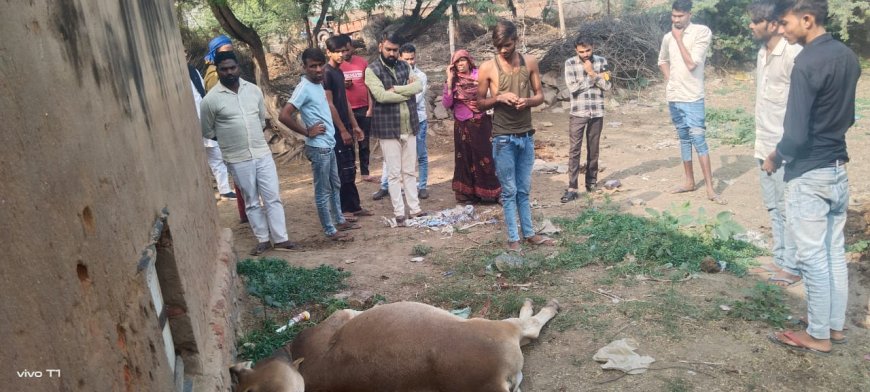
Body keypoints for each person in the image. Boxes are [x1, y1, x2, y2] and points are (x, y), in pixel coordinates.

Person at [764, 0, 860, 355]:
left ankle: (818, 335)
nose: (781, 30)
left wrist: (776, 156)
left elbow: (796, 133)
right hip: (837, 169)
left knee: (812, 258)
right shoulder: (847, 55)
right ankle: (832, 327)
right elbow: (848, 116)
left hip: (810, 172)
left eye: (785, 23)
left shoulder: (806, 61)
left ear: (807, 19)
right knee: (834, 253)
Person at [200, 52, 296, 255]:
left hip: (262, 153)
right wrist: (231, 142)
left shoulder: (253, 91)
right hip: (237, 158)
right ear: (217, 70)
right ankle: (262, 239)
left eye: (232, 68)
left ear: (238, 68)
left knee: (272, 197)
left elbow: (261, 120)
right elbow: (208, 131)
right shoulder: (210, 100)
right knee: (251, 199)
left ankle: (281, 239)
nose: (229, 72)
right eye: (224, 69)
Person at [477, 20, 555, 251]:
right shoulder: (487, 68)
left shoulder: (529, 62)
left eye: (508, 45)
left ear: (516, 40)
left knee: (523, 189)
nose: (503, 50)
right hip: (502, 138)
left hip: (526, 136)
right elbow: (479, 103)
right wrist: (499, 98)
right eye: (499, 46)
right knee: (509, 191)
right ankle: (513, 238)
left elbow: (540, 95)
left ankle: (529, 234)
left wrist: (527, 101)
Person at [747, 0, 803, 287]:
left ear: (772, 24)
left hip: (782, 147)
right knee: (773, 206)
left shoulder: (793, 54)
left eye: (755, 21)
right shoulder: (762, 53)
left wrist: (782, 150)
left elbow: (800, 106)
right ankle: (780, 259)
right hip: (763, 141)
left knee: (787, 207)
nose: (750, 26)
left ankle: (793, 266)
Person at [279, 48, 356, 242]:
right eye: (312, 66)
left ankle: (339, 219)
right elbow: (284, 115)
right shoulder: (303, 87)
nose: (318, 69)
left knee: (335, 184)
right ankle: (330, 230)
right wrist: (307, 132)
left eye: (320, 65)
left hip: (328, 143)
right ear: (304, 67)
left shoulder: (318, 84)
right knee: (323, 190)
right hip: (318, 146)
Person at [658, 0, 725, 204]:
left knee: (699, 140)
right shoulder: (668, 37)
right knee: (683, 138)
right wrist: (671, 80)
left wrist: (679, 39)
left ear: (689, 14)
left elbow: (691, 63)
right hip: (675, 96)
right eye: (673, 16)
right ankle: (689, 182)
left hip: (693, 96)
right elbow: (662, 60)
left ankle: (711, 190)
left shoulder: (701, 32)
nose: (676, 20)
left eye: (680, 16)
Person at [365, 32, 427, 225]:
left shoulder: (404, 65)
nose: (392, 53)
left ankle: (415, 210)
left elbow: (418, 87)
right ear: (380, 47)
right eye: (388, 49)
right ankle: (399, 213)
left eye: (395, 50)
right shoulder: (371, 70)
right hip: (387, 128)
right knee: (393, 173)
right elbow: (381, 97)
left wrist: (397, 90)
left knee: (409, 170)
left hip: (409, 125)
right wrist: (405, 92)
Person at [374, 43, 433, 200]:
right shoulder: (392, 73)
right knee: (390, 156)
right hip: (395, 120)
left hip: (417, 120)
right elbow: (383, 95)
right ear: (400, 57)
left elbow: (415, 97)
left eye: (412, 58)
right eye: (406, 59)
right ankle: (384, 185)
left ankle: (422, 186)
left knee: (420, 154)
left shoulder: (421, 76)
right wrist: (406, 91)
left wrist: (395, 93)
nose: (410, 62)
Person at [443, 49, 501, 204]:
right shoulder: (453, 80)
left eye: (463, 60)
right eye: (456, 62)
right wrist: (449, 82)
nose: (460, 64)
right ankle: (468, 194)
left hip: (481, 122)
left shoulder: (480, 75)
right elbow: (447, 104)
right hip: (462, 125)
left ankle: (494, 192)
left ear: (469, 61)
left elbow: (491, 94)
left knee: (486, 156)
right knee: (465, 158)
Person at [324, 36, 371, 220]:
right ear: (329, 52)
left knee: (351, 167)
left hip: (347, 125)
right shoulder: (327, 73)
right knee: (341, 169)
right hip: (335, 130)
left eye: (345, 50)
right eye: (338, 51)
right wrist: (342, 129)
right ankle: (344, 210)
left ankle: (355, 206)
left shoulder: (339, 72)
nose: (342, 54)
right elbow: (330, 104)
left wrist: (355, 126)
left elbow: (345, 102)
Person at [561, 36, 612, 203]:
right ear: (576, 50)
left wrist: (591, 72)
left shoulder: (602, 61)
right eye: (581, 51)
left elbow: (608, 86)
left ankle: (591, 183)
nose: (585, 54)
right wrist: (594, 77)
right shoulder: (570, 63)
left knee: (593, 149)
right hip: (578, 113)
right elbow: (573, 88)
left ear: (593, 46)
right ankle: (572, 187)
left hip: (597, 112)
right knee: (574, 150)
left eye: (588, 50)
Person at [203, 35, 248, 222]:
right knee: (239, 173)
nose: (229, 54)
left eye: (230, 50)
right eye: (224, 51)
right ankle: (245, 213)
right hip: (229, 130)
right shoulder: (214, 75)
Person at [188, 63, 235, 201]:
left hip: (204, 119)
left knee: (216, 156)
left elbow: (202, 93)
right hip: (189, 123)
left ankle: (224, 190)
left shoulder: (192, 70)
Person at [338, 35, 377, 184]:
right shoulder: (337, 65)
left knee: (364, 141)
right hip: (346, 110)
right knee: (348, 142)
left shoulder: (362, 63)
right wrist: (343, 85)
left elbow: (368, 86)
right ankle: (351, 171)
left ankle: (365, 172)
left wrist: (370, 107)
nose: (345, 53)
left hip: (363, 109)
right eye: (343, 50)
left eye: (348, 49)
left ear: (352, 48)